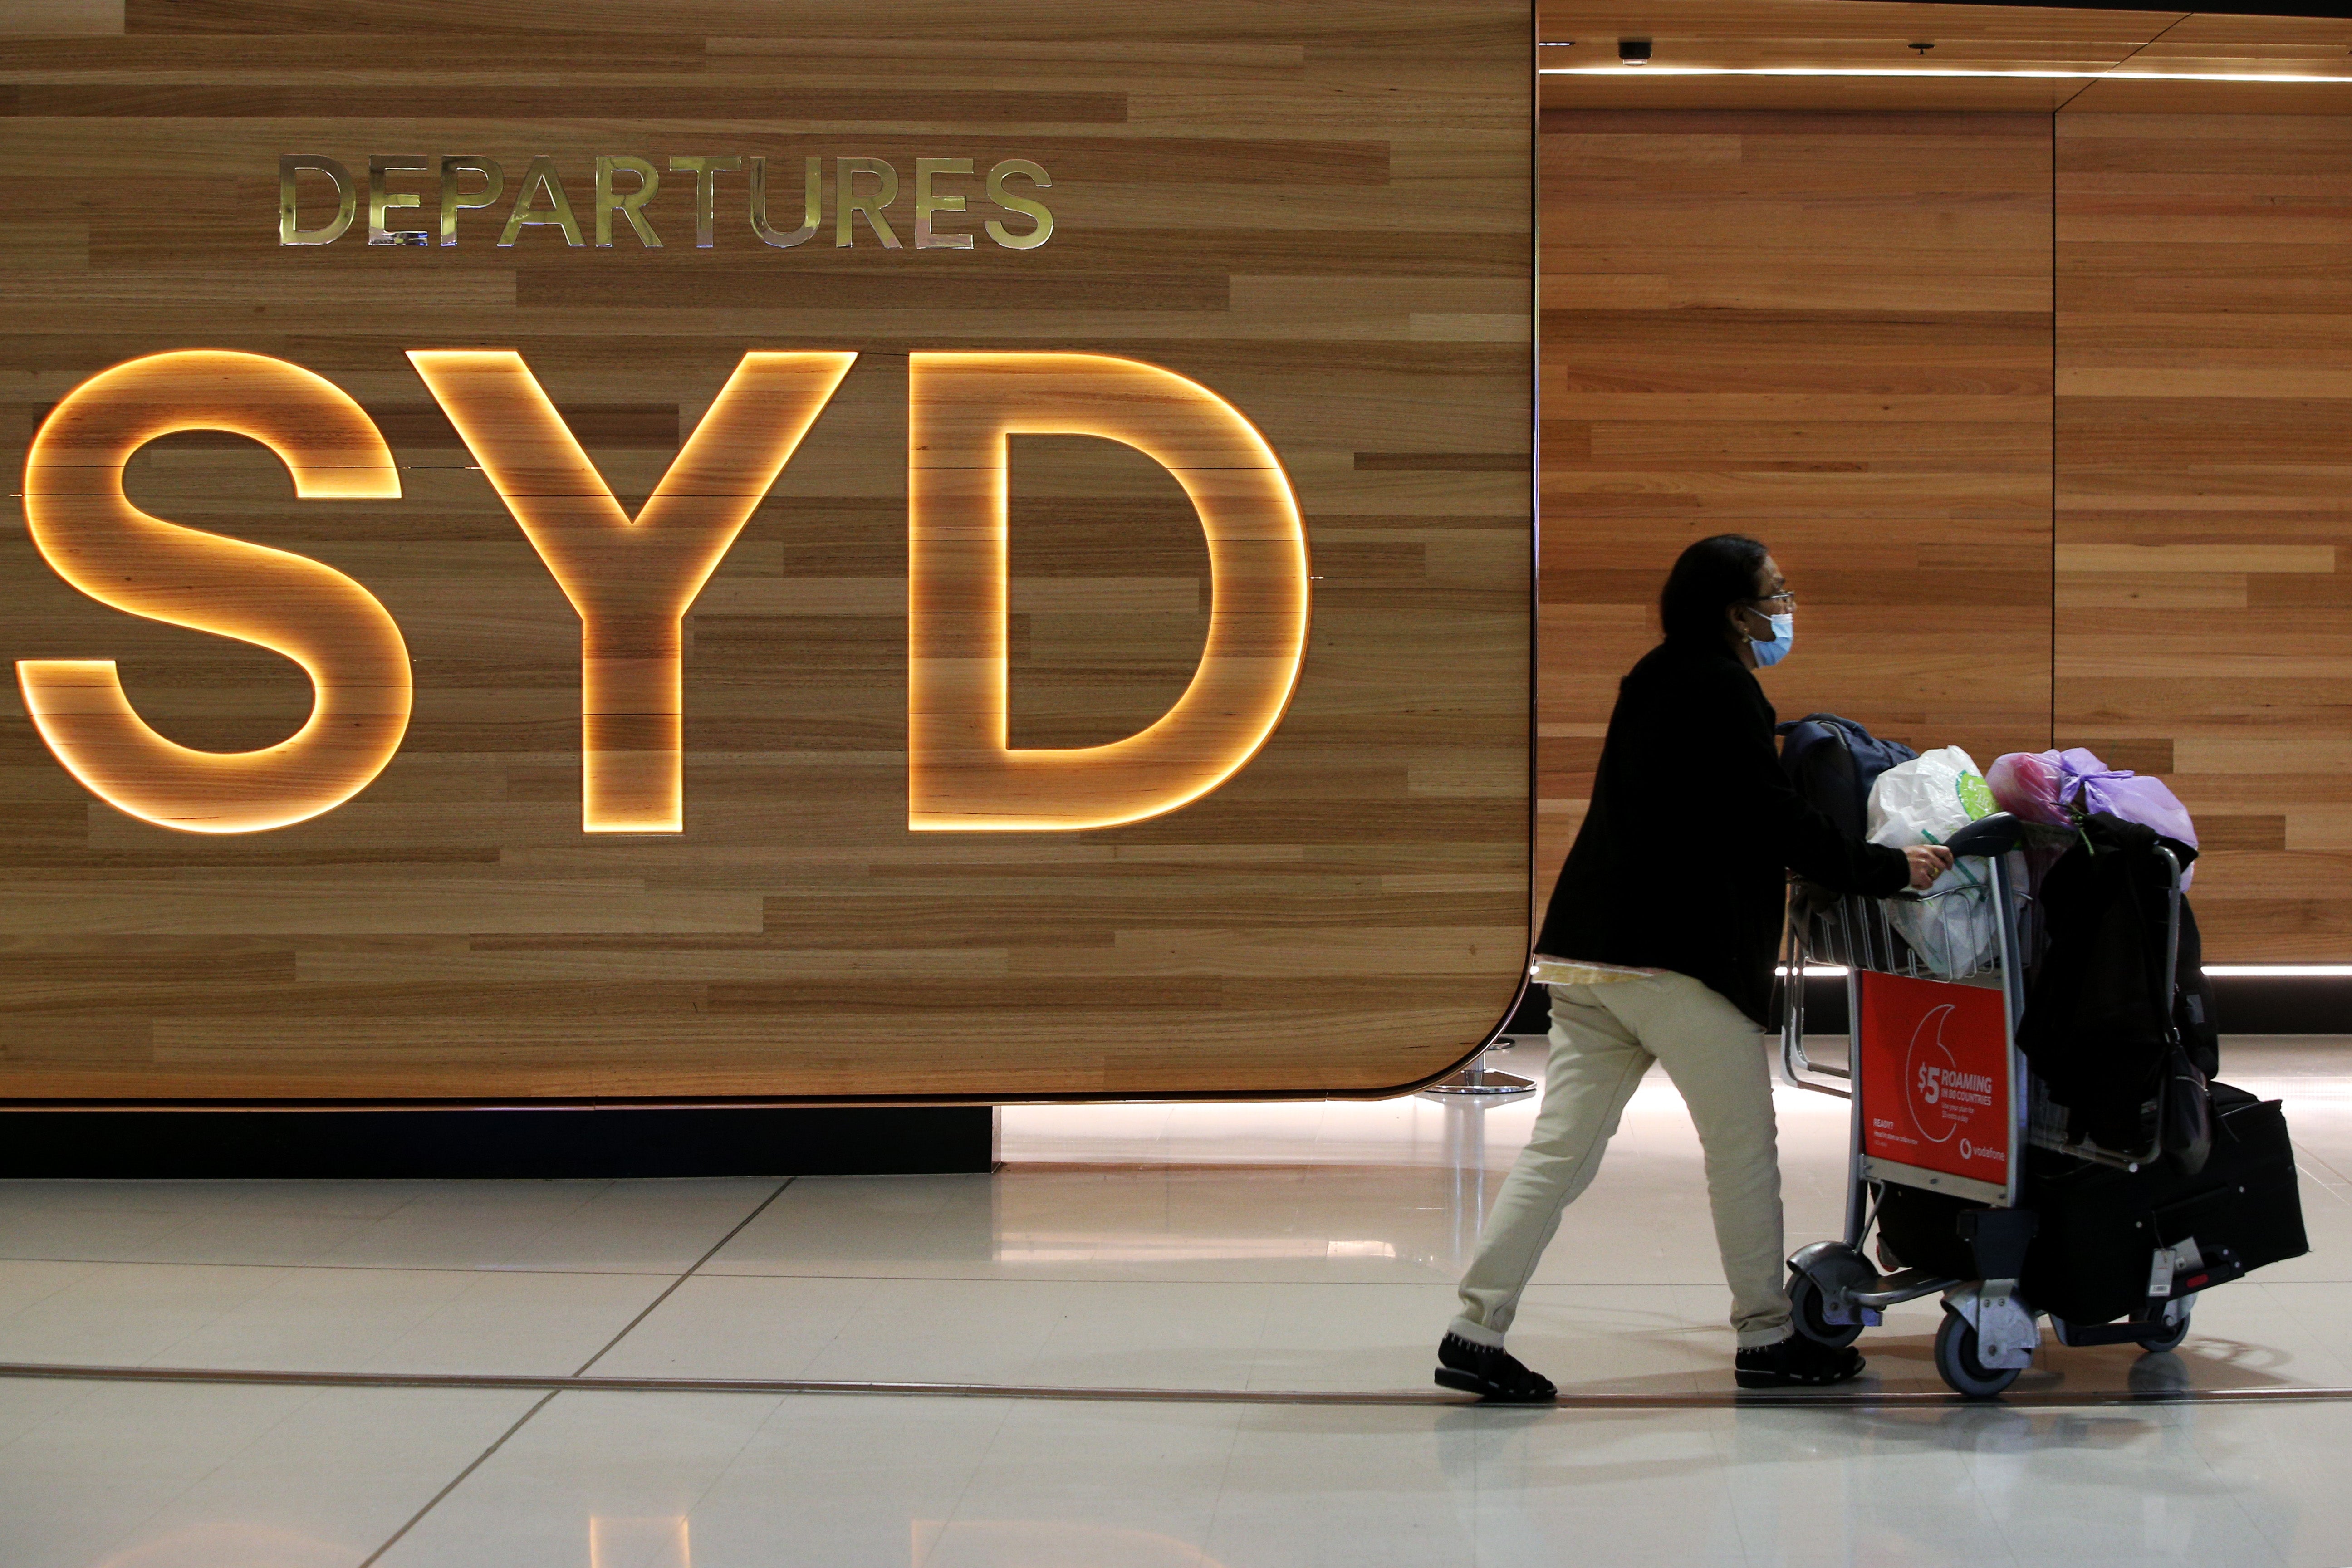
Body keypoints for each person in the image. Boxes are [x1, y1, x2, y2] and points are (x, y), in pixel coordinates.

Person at [1434, 534, 1953, 1401]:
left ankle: (1473, 1331)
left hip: (1590, 950)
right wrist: (1890, 868)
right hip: (1680, 962)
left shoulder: (1651, 677)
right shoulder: (1726, 689)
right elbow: (1772, 818)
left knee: (1557, 1156)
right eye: (1774, 592)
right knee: (1742, 1151)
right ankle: (1765, 1337)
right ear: (1732, 609)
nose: (1785, 606)